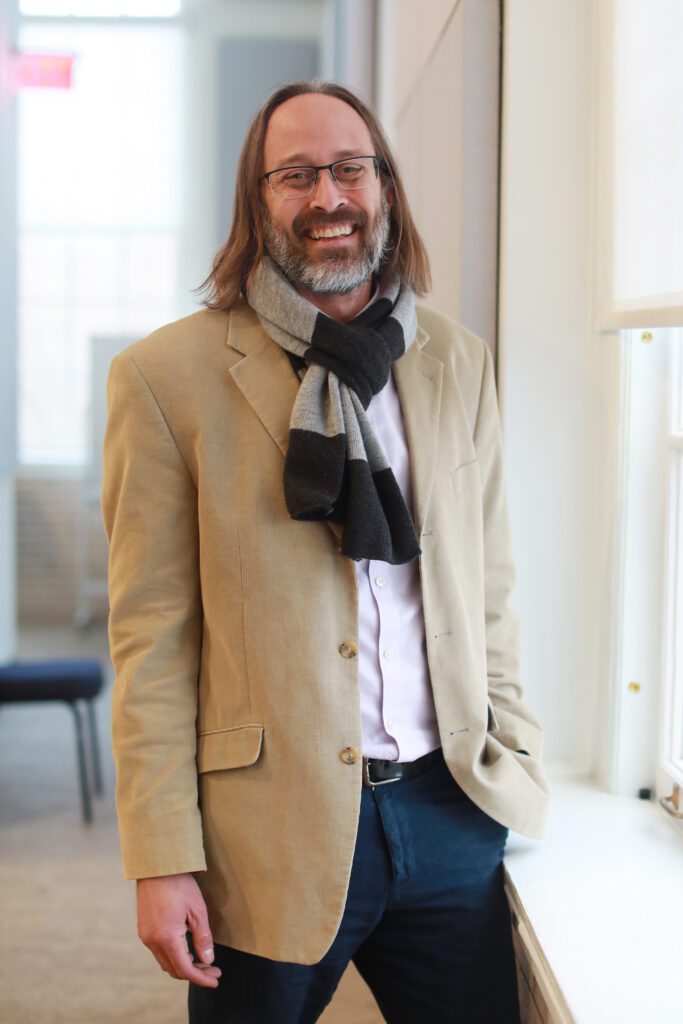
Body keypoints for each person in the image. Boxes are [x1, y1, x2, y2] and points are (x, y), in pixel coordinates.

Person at [102, 80, 550, 1024]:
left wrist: (516, 757)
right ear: (256, 199)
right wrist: (159, 856)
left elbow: (490, 587)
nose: (327, 198)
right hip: (261, 831)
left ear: (383, 185)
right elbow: (152, 639)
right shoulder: (164, 379)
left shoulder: (455, 362)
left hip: (449, 810)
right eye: (295, 175)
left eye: (349, 168)